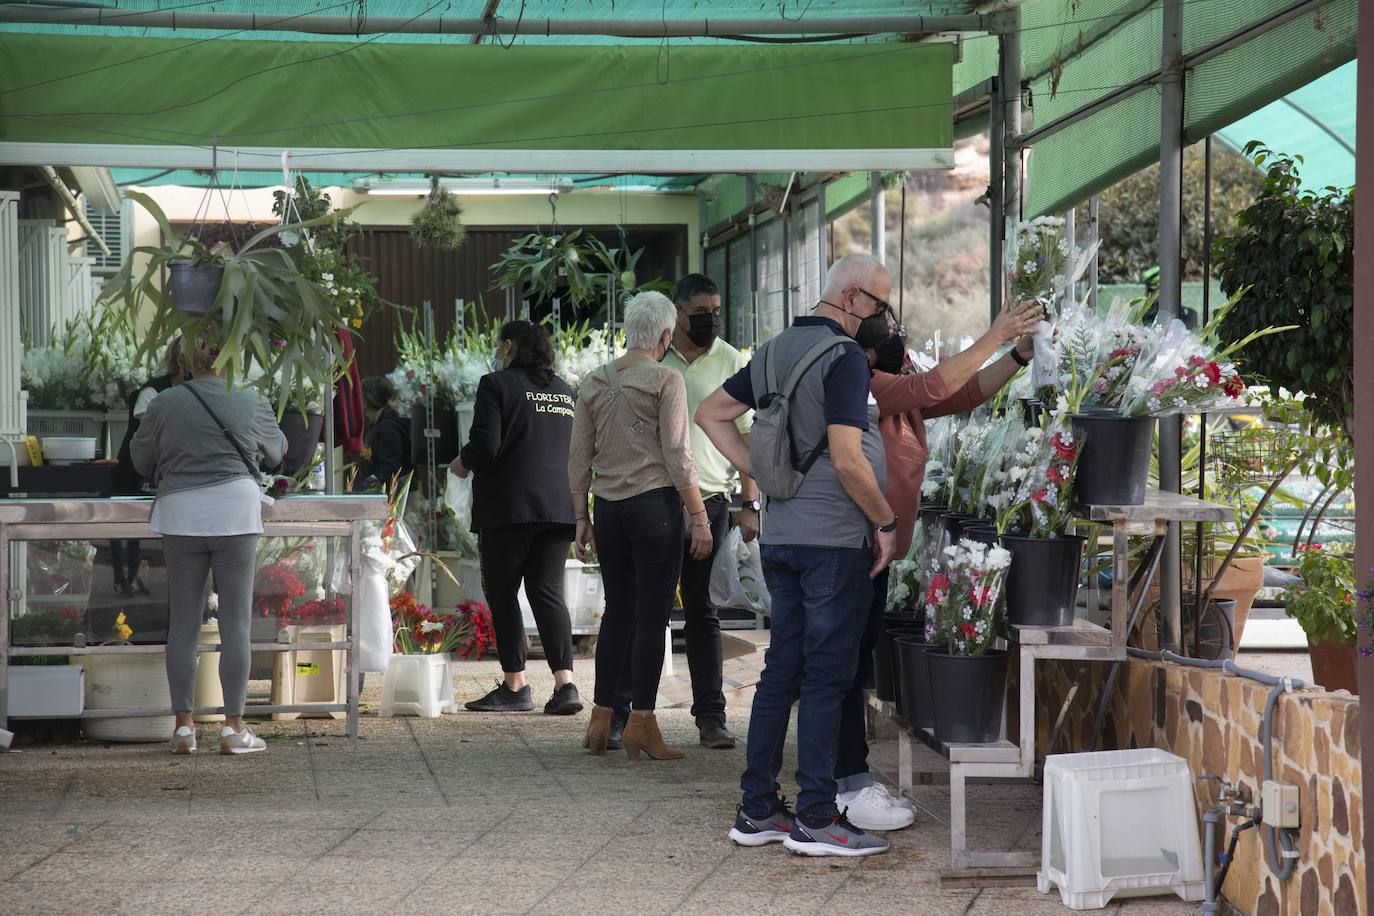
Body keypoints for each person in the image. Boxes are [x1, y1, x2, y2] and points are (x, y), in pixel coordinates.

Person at [696, 253, 899, 857]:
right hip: (833, 542)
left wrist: (763, 470)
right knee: (827, 677)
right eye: (882, 305)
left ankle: (758, 808)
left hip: (782, 539)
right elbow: (846, 455)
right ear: (855, 299)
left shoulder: (776, 348)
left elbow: (713, 413)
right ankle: (815, 816)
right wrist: (885, 521)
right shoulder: (842, 360)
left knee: (780, 671)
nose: (885, 319)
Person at [831, 297, 1044, 832]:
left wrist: (1016, 356)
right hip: (857, 546)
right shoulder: (870, 383)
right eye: (884, 319)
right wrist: (995, 334)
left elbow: (963, 391)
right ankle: (844, 783)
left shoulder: (901, 387)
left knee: (855, 664)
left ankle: (849, 778)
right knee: (844, 669)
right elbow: (930, 387)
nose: (897, 329)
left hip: (882, 551)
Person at [604, 274, 757, 751]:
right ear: (677, 314)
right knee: (633, 611)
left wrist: (749, 503)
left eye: (716, 310)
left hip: (709, 500)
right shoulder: (651, 355)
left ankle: (711, 716)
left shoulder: (732, 361)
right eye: (700, 311)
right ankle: (620, 715)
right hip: (653, 499)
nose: (710, 318)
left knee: (702, 612)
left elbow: (748, 438)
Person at [570, 292, 712, 761]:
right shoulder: (666, 378)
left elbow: (577, 458)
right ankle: (643, 724)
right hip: (654, 509)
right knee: (653, 619)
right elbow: (676, 451)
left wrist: (580, 516)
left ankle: (601, 720)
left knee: (618, 613)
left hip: (608, 510)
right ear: (666, 336)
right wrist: (698, 513)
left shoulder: (593, 380)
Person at [131, 331, 286, 756]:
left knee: (183, 620)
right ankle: (234, 729)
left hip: (180, 512)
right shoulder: (251, 399)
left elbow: (140, 460)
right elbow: (277, 452)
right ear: (231, 360)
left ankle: (183, 728)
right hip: (235, 512)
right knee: (235, 621)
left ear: (184, 362)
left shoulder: (163, 403)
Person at [451, 321, 582, 716]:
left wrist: (461, 462)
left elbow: (486, 444)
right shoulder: (564, 391)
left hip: (509, 507)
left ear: (508, 346)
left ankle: (515, 685)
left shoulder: (496, 384)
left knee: (503, 592)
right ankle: (566, 685)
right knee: (547, 592)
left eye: (498, 345)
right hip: (559, 506)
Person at [110, 339, 185, 595]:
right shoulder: (152, 392)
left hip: (167, 481)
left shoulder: (194, 393)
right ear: (181, 361)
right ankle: (125, 580)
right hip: (135, 475)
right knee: (132, 535)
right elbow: (150, 436)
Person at [359, 376, 413, 489]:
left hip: (394, 498)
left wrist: (375, 494)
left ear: (365, 402)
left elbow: (390, 469)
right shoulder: (376, 425)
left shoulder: (388, 429)